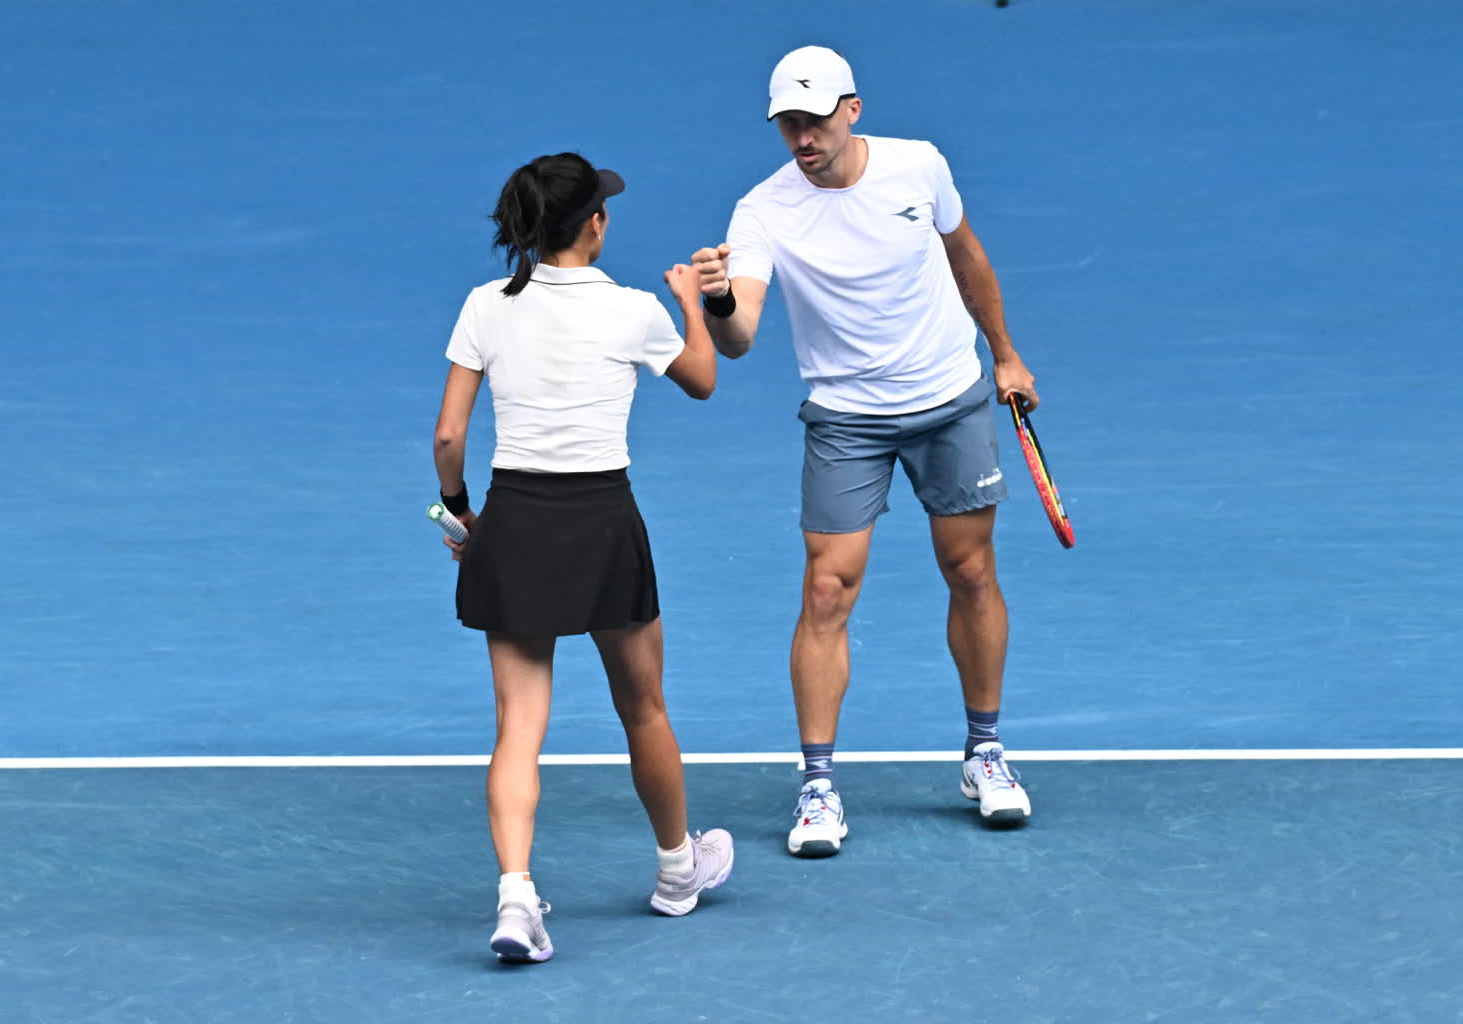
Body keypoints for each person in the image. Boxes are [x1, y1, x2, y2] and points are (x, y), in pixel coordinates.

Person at [690, 46, 1038, 855]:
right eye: (788, 124)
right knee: (825, 591)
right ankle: (817, 787)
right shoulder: (763, 211)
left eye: (813, 120)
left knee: (971, 570)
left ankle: (984, 751)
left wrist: (1006, 353)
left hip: (950, 397)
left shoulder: (918, 167)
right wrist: (715, 303)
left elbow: (966, 255)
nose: (802, 137)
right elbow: (739, 337)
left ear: (851, 108)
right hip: (846, 417)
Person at [432, 152, 734, 963]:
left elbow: (450, 437)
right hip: (603, 524)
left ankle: (517, 899)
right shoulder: (635, 311)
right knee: (644, 707)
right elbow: (704, 379)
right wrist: (690, 307)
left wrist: (461, 515)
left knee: (518, 728)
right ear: (593, 223)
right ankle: (678, 873)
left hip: (516, 525)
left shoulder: (484, 307)